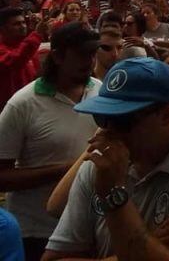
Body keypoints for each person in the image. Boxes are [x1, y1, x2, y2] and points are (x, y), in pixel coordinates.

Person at [42, 56, 169, 261]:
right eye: (101, 118)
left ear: (167, 114)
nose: (108, 131)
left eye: (122, 121)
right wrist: (150, 245)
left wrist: (114, 198)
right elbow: (54, 258)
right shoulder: (103, 162)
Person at [0, 23, 101, 261]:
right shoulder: (23, 103)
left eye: (93, 53)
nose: (90, 60)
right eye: (81, 55)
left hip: (88, 229)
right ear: (56, 56)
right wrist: (67, 170)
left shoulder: (101, 93)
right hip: (36, 232)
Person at [0, 6, 49, 110]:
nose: (23, 26)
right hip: (8, 108)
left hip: (31, 104)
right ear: (3, 28)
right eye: (16, 24)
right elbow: (16, 60)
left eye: (23, 23)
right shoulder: (3, 50)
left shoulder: (27, 46)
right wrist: (37, 34)